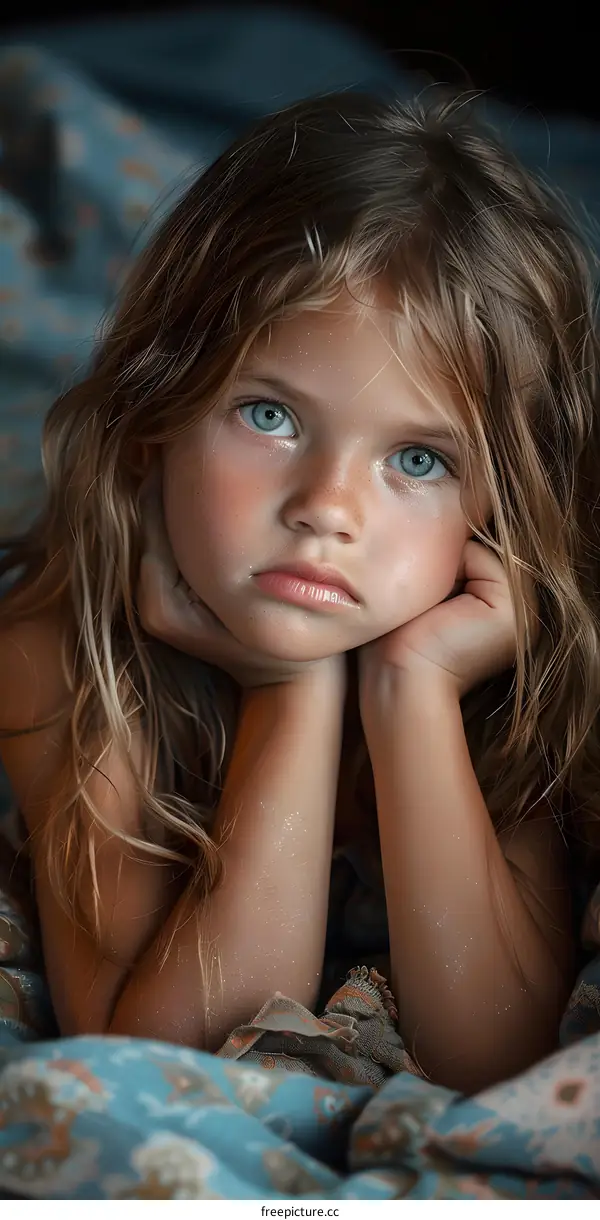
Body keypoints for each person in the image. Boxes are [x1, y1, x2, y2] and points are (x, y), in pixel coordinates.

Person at [0, 92, 599, 1096]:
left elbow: (492, 1054)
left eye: (417, 458)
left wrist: (412, 692)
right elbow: (172, 1060)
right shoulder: (54, 641)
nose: (327, 508)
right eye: (270, 413)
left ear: (494, 508)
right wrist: (294, 683)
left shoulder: (506, 670)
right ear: (158, 414)